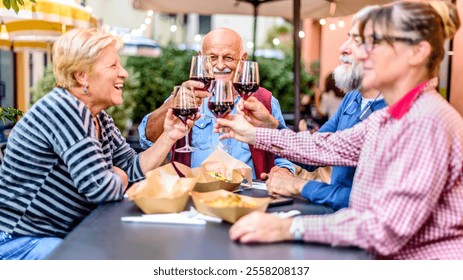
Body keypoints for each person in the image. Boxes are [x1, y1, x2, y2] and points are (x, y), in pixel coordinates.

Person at [218, 1, 463, 259]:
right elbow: (328, 146)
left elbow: (384, 230)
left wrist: (289, 227)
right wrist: (252, 133)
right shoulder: (398, 114)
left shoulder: (424, 121)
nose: (359, 53)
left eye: (373, 43)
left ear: (417, 52)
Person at [0, 28, 189, 260]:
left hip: (62, 234)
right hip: (19, 240)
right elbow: (101, 189)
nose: (124, 73)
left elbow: (131, 168)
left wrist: (168, 136)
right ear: (82, 76)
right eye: (113, 66)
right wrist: (117, 176)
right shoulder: (64, 110)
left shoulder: (98, 117)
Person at [264, 6, 387, 211]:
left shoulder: (397, 113)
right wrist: (271, 125)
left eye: (356, 41)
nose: (343, 48)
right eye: (348, 37)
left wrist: (298, 186)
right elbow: (315, 152)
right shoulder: (352, 98)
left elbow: (371, 203)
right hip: (336, 217)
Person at [137, 27, 295, 179]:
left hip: (248, 197)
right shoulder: (186, 97)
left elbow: (284, 154)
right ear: (201, 58)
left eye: (228, 58)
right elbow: (147, 140)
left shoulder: (264, 102)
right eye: (212, 57)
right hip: (195, 196)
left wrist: (283, 171)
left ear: (243, 59)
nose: (220, 65)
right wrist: (172, 103)